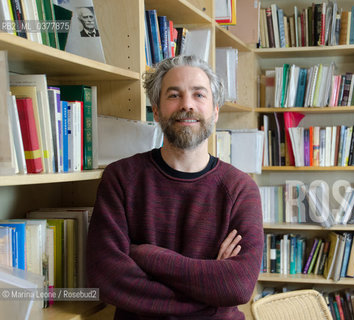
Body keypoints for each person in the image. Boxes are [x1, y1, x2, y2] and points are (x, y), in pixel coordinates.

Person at [86, 55, 264, 320]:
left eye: (199, 95)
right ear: (156, 111)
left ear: (215, 111)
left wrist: (148, 256)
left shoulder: (240, 189)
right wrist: (208, 293)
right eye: (174, 95)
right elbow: (106, 278)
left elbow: (238, 286)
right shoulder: (121, 178)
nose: (187, 105)